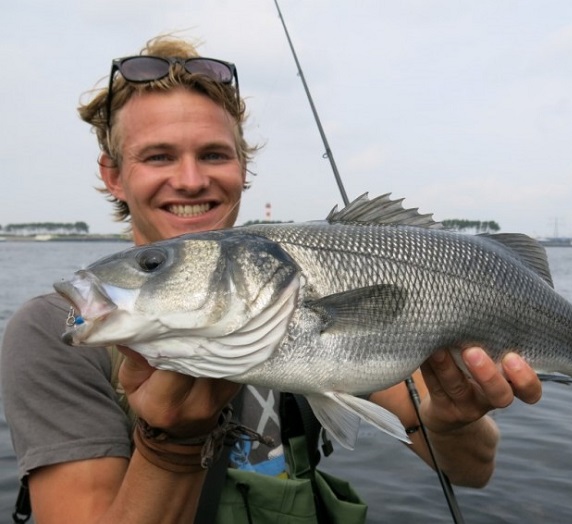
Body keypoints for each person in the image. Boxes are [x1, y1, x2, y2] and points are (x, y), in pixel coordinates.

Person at [1, 35, 542, 523]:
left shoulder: (295, 283)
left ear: (243, 168)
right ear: (114, 175)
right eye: (158, 156)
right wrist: (172, 446)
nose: (190, 180)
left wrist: (450, 423)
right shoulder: (52, 336)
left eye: (214, 154)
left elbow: (474, 471)